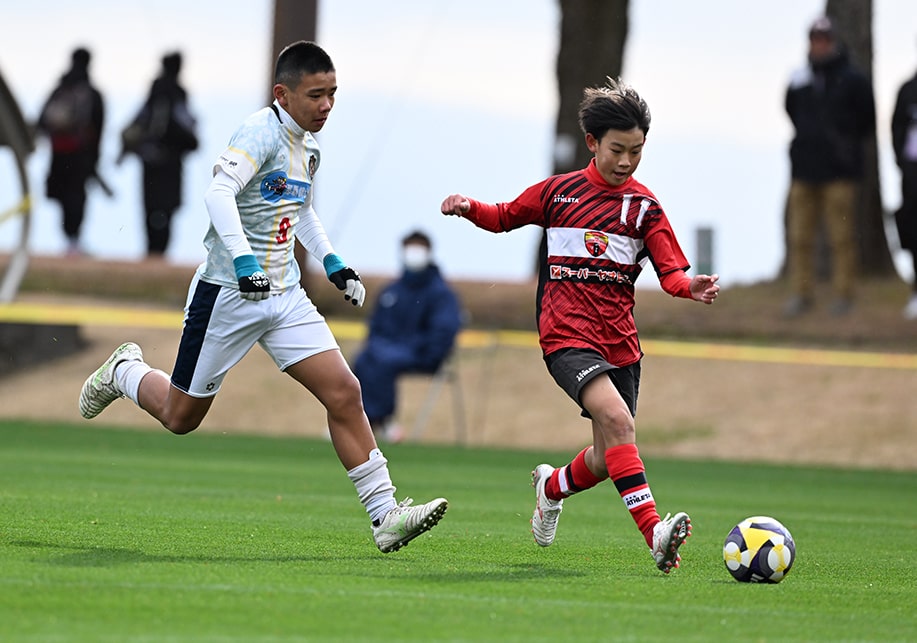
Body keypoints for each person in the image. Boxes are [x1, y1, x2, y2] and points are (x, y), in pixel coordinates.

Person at [78, 41, 447, 553]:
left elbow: (301, 211)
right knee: (181, 418)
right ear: (283, 94)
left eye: (333, 94)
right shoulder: (259, 132)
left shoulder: (310, 146)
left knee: (345, 392)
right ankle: (126, 371)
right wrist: (244, 260)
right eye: (316, 95)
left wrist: (333, 262)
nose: (327, 106)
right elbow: (218, 194)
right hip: (229, 293)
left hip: (285, 297)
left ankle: (385, 514)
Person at [440, 77, 720, 574]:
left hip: (621, 346)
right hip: (565, 337)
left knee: (605, 452)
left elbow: (670, 269)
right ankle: (655, 531)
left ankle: (551, 488)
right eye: (618, 149)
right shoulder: (559, 193)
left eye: (637, 151)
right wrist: (469, 209)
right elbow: (505, 215)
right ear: (593, 143)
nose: (627, 162)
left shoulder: (644, 208)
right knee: (619, 423)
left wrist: (688, 286)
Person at [783, 16, 876, 317]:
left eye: (824, 39)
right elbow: (791, 111)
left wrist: (843, 147)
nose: (819, 45)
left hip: (841, 171)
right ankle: (801, 293)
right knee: (800, 237)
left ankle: (844, 295)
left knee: (842, 237)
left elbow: (866, 120)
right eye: (815, 39)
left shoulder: (853, 79)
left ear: (834, 41)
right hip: (805, 169)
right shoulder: (800, 78)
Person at [352, 230, 463, 442]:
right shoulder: (391, 290)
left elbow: (443, 331)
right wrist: (379, 346)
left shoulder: (441, 293)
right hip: (387, 350)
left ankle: (382, 422)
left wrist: (424, 350)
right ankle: (361, 421)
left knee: (383, 361)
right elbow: (375, 327)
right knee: (363, 359)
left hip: (422, 355)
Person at [119, 51, 199, 258]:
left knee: (150, 207)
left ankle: (151, 251)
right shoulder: (177, 93)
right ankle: (160, 252)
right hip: (171, 163)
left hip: (150, 161)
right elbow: (186, 125)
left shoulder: (155, 92)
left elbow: (139, 121)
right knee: (167, 209)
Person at [37, 47, 105, 256]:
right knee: (75, 198)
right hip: (80, 156)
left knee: (64, 197)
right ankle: (73, 242)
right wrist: (94, 159)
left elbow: (42, 122)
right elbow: (99, 128)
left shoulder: (60, 89)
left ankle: (69, 241)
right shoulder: (92, 93)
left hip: (58, 153)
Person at [891, 62, 917, 320]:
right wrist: (903, 163)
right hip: (913, 175)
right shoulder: (908, 90)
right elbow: (897, 129)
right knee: (912, 231)